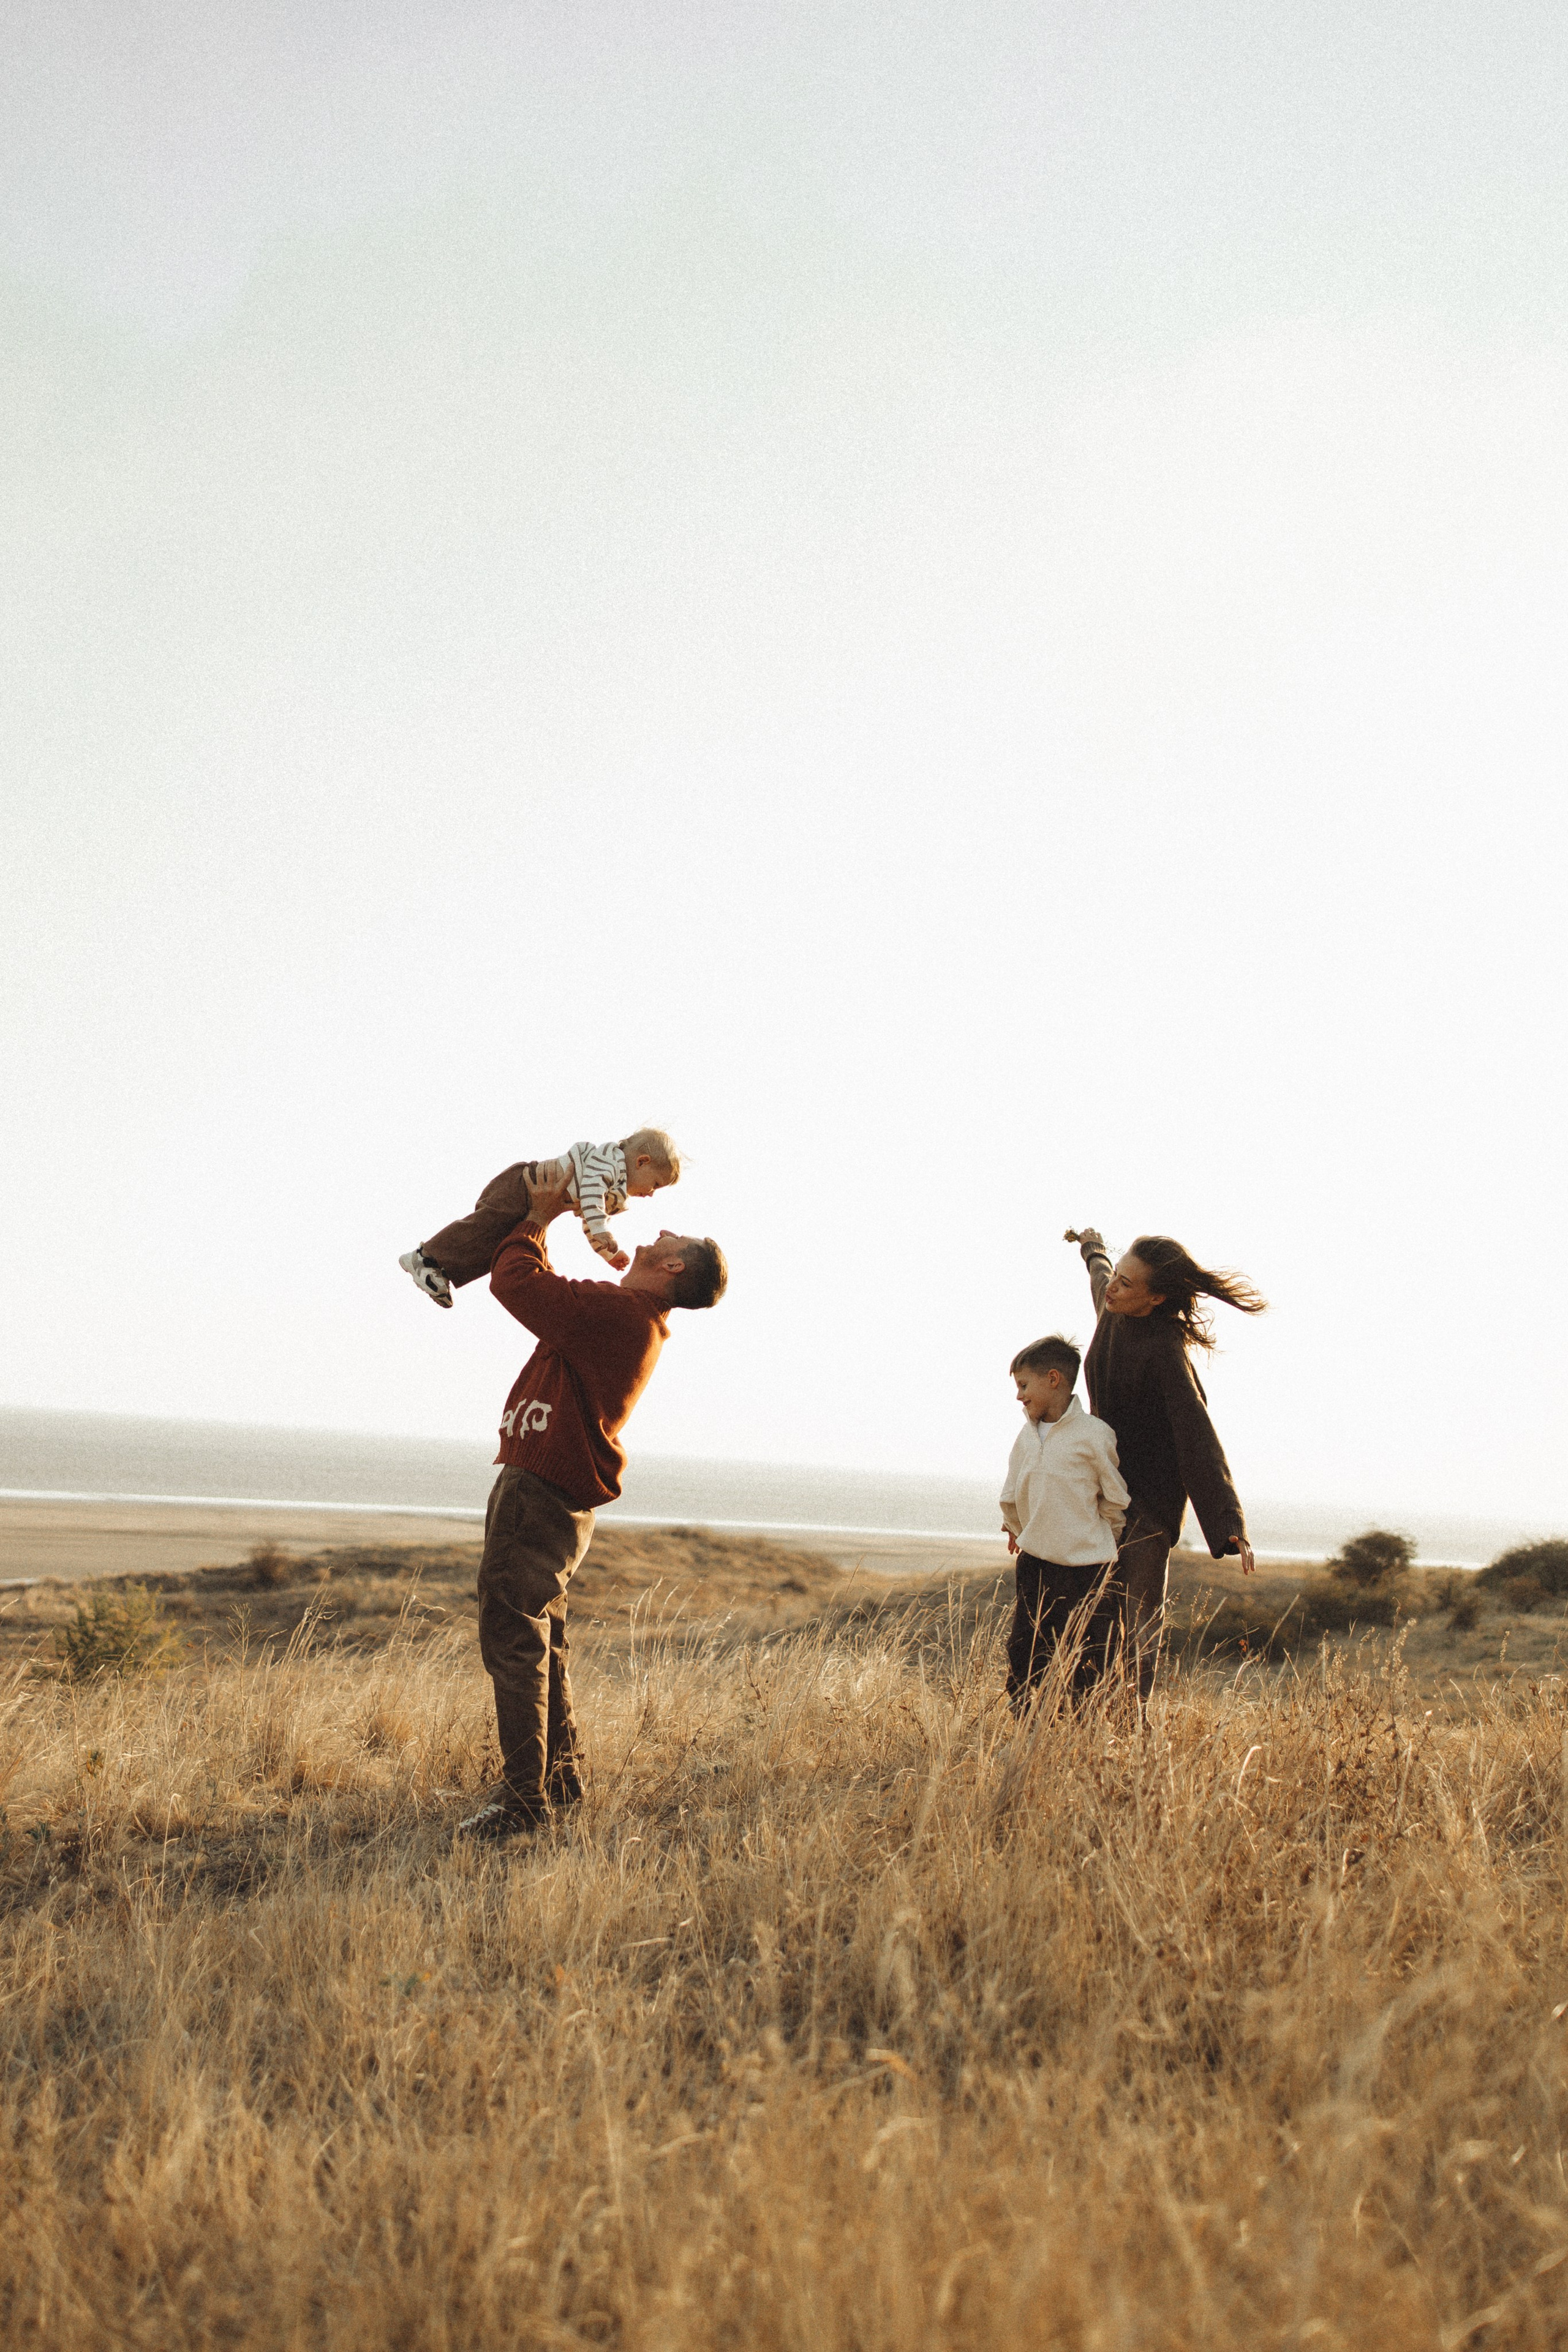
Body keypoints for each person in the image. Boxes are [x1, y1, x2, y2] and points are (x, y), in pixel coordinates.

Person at [458, 1161, 727, 1843]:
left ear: (672, 1268)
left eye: (673, 1234)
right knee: (543, 1636)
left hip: (538, 1490)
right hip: (552, 1490)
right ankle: (560, 1777)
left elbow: (516, 1283)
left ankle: (523, 1803)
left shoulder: (618, 1314)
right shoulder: (622, 1318)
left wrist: (539, 1217)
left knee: (516, 1636)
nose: (658, 1227)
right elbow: (544, 1292)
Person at [1071, 1227, 1266, 1708]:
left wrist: (1228, 1524)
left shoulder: (1165, 1349)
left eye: (1128, 1284)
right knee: (1090, 1615)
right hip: (1103, 1493)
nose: (1114, 1288)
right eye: (1118, 1276)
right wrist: (1092, 1247)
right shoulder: (1112, 1309)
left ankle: (1132, 1729)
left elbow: (1196, 1435)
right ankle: (1086, 1719)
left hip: (1149, 1508)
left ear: (1155, 1298)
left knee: (1138, 1628)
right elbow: (1099, 1276)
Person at [400, 1128, 681, 1303]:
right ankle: (424, 1257)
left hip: (532, 1199)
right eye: (655, 1184)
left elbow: (590, 1219)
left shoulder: (612, 1190)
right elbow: (592, 1199)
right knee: (486, 1228)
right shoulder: (607, 1164)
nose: (652, 1194)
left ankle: (439, 1272)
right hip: (523, 1184)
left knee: (499, 1246)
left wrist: (608, 1252)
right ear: (641, 1162)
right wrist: (603, 1232)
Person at [1000, 1335, 1129, 1711]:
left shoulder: (1094, 1435)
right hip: (1036, 1563)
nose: (1019, 1397)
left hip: (1088, 1569)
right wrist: (1016, 1527)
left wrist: (1101, 1541)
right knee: (1025, 1651)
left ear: (1053, 1379)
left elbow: (1115, 1498)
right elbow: (1014, 1490)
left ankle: (1081, 1741)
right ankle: (1030, 1734)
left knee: (1088, 1657)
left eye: (1024, 1386)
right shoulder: (1026, 1436)